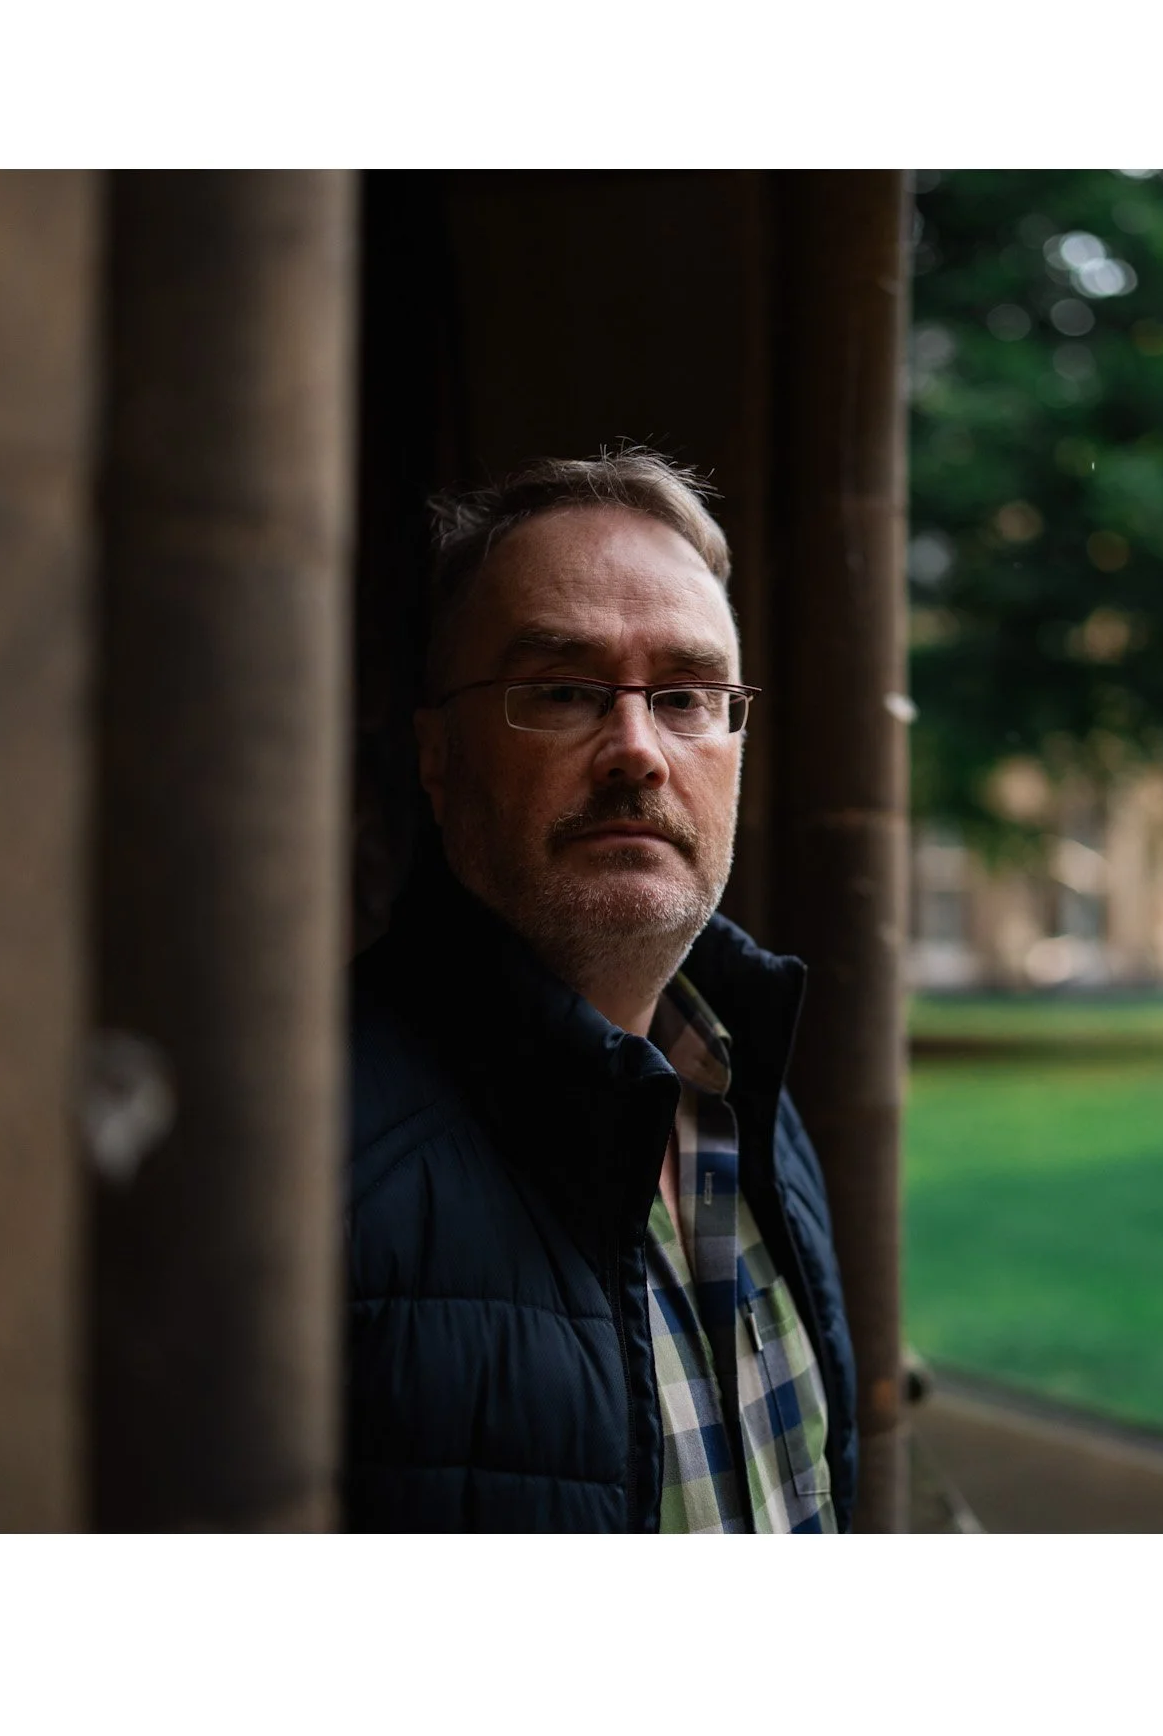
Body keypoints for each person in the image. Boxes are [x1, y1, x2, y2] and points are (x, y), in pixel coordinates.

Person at [343, 450, 857, 1532]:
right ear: (437, 756)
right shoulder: (312, 1159)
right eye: (565, 691)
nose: (636, 750)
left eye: (684, 695)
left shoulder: (748, 1096)